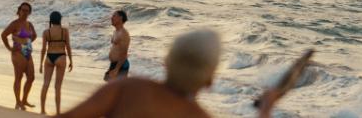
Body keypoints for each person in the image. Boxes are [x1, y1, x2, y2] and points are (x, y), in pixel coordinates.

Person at [60, 29, 287, 118]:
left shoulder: (128, 89)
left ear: (166, 62)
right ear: (209, 80)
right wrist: (266, 108)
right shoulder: (198, 116)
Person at [1, 2, 37, 110]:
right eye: (23, 10)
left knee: (31, 77)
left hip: (28, 53)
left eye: (27, 10)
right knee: (19, 77)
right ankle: (18, 102)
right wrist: (9, 48)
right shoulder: (15, 24)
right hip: (17, 53)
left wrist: (27, 42)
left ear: (29, 12)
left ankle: (24, 100)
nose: (25, 12)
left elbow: (34, 35)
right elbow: (3, 35)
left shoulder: (29, 24)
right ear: (19, 11)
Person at [39, 11, 73, 115]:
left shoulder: (46, 32)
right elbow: (68, 46)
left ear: (51, 20)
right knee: (57, 87)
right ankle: (58, 112)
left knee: (45, 84)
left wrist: (40, 63)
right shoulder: (64, 31)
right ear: (60, 19)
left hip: (49, 57)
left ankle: (42, 110)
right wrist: (71, 60)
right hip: (61, 56)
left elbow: (43, 49)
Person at [105, 10, 130, 81]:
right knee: (109, 85)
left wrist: (116, 69)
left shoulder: (124, 34)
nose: (111, 18)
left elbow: (124, 54)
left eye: (114, 16)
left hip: (121, 65)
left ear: (120, 18)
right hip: (114, 64)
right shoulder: (116, 31)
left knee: (118, 90)